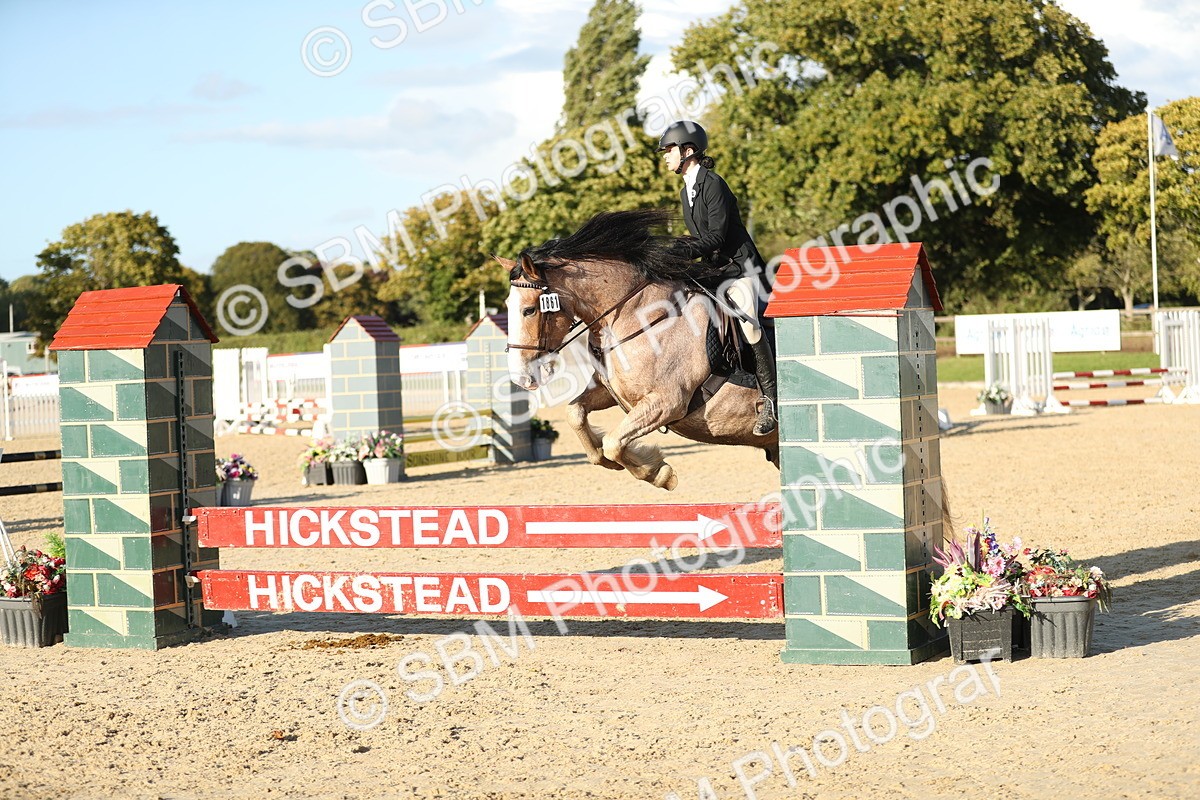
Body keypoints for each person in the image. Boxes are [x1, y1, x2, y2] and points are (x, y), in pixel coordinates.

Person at [657, 120, 777, 436]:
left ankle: (772, 400)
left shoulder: (713, 184)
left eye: (669, 150)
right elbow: (697, 239)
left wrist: (680, 253)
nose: (666, 157)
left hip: (741, 268)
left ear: (689, 150)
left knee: (748, 321)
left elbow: (715, 238)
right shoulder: (687, 192)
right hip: (715, 270)